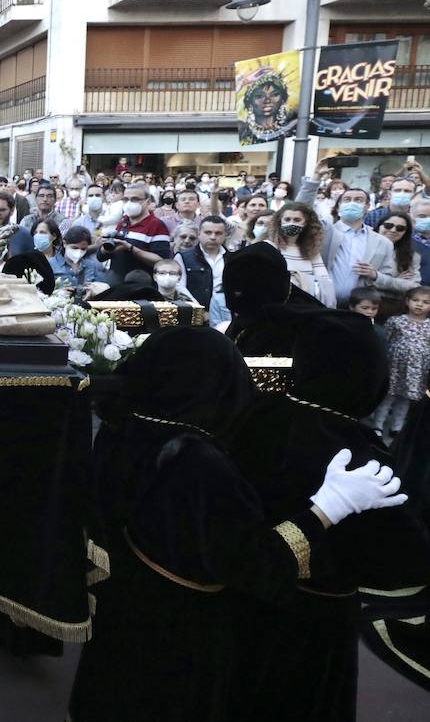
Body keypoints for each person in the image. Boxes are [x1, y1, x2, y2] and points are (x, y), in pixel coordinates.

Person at [68, 327, 408, 722]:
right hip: (178, 631)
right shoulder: (199, 464)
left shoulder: (123, 428)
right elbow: (254, 564)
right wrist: (328, 508)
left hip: (123, 606)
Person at [227, 308, 430, 721]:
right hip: (316, 623)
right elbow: (405, 561)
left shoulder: (256, 417)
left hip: (238, 607)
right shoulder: (364, 454)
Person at [369, 286, 430, 441]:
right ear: (407, 301)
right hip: (395, 367)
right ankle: (378, 424)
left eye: (425, 302)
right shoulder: (396, 321)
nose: (419, 304)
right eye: (415, 300)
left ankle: (397, 427)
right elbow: (387, 340)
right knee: (388, 397)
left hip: (416, 372)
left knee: (405, 400)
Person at [320, 187, 396, 308]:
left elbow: (389, 279)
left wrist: (374, 275)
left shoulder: (383, 242)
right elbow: (302, 209)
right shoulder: (325, 233)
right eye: (347, 199)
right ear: (339, 206)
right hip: (323, 303)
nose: (352, 203)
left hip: (360, 309)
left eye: (358, 200)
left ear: (366, 207)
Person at [267, 201, 334, 306]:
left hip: (304, 305)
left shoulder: (311, 251)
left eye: (297, 220)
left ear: (305, 223)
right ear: (280, 221)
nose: (291, 223)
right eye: (287, 219)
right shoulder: (269, 247)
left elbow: (325, 282)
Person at [372, 212, 424, 311]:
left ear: (405, 232)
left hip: (393, 306)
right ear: (379, 226)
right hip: (364, 303)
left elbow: (414, 286)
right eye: (388, 226)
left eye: (400, 228)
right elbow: (361, 281)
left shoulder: (412, 256)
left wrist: (377, 277)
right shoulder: (365, 247)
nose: (393, 230)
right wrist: (397, 281)